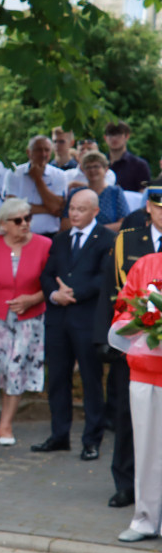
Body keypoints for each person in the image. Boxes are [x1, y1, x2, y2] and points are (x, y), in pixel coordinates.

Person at [32, 189, 115, 460]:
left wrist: (73, 294)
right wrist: (55, 295)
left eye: (80, 209)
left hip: (86, 321)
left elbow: (103, 278)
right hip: (58, 320)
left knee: (91, 381)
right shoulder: (60, 239)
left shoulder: (106, 239)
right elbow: (47, 275)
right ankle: (59, 435)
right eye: (72, 208)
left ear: (95, 211)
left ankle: (92, 441)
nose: (74, 213)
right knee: (57, 379)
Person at [93, 185, 162, 509]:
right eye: (160, 207)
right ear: (149, 207)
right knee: (125, 416)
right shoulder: (129, 238)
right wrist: (105, 337)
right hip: (134, 345)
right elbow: (112, 288)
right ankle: (125, 483)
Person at [0, 199, 51, 446]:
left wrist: (32, 299)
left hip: (29, 320)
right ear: (3, 225)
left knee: (15, 371)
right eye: (18, 220)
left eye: (27, 218)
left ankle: (5, 425)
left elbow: (50, 284)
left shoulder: (44, 245)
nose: (24, 224)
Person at [109, 247, 162, 543]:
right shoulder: (145, 265)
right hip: (144, 371)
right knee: (146, 449)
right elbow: (123, 307)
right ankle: (144, 519)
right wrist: (143, 320)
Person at [3, 135, 67, 238]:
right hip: (21, 235)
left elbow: (57, 208)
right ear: (29, 152)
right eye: (38, 150)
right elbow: (12, 209)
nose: (43, 154)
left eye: (47, 150)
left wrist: (38, 179)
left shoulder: (59, 175)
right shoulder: (14, 174)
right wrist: (48, 209)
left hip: (50, 235)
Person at [61, 151, 128, 232]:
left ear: (106, 169)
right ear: (83, 171)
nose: (92, 170)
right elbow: (65, 223)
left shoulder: (115, 192)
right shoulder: (76, 193)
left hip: (110, 240)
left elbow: (124, 223)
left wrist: (95, 231)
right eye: (88, 167)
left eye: (96, 166)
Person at [103, 121, 151, 194]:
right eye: (110, 134)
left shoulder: (139, 165)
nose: (114, 138)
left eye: (118, 134)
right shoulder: (99, 164)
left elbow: (144, 195)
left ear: (127, 136)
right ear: (105, 138)